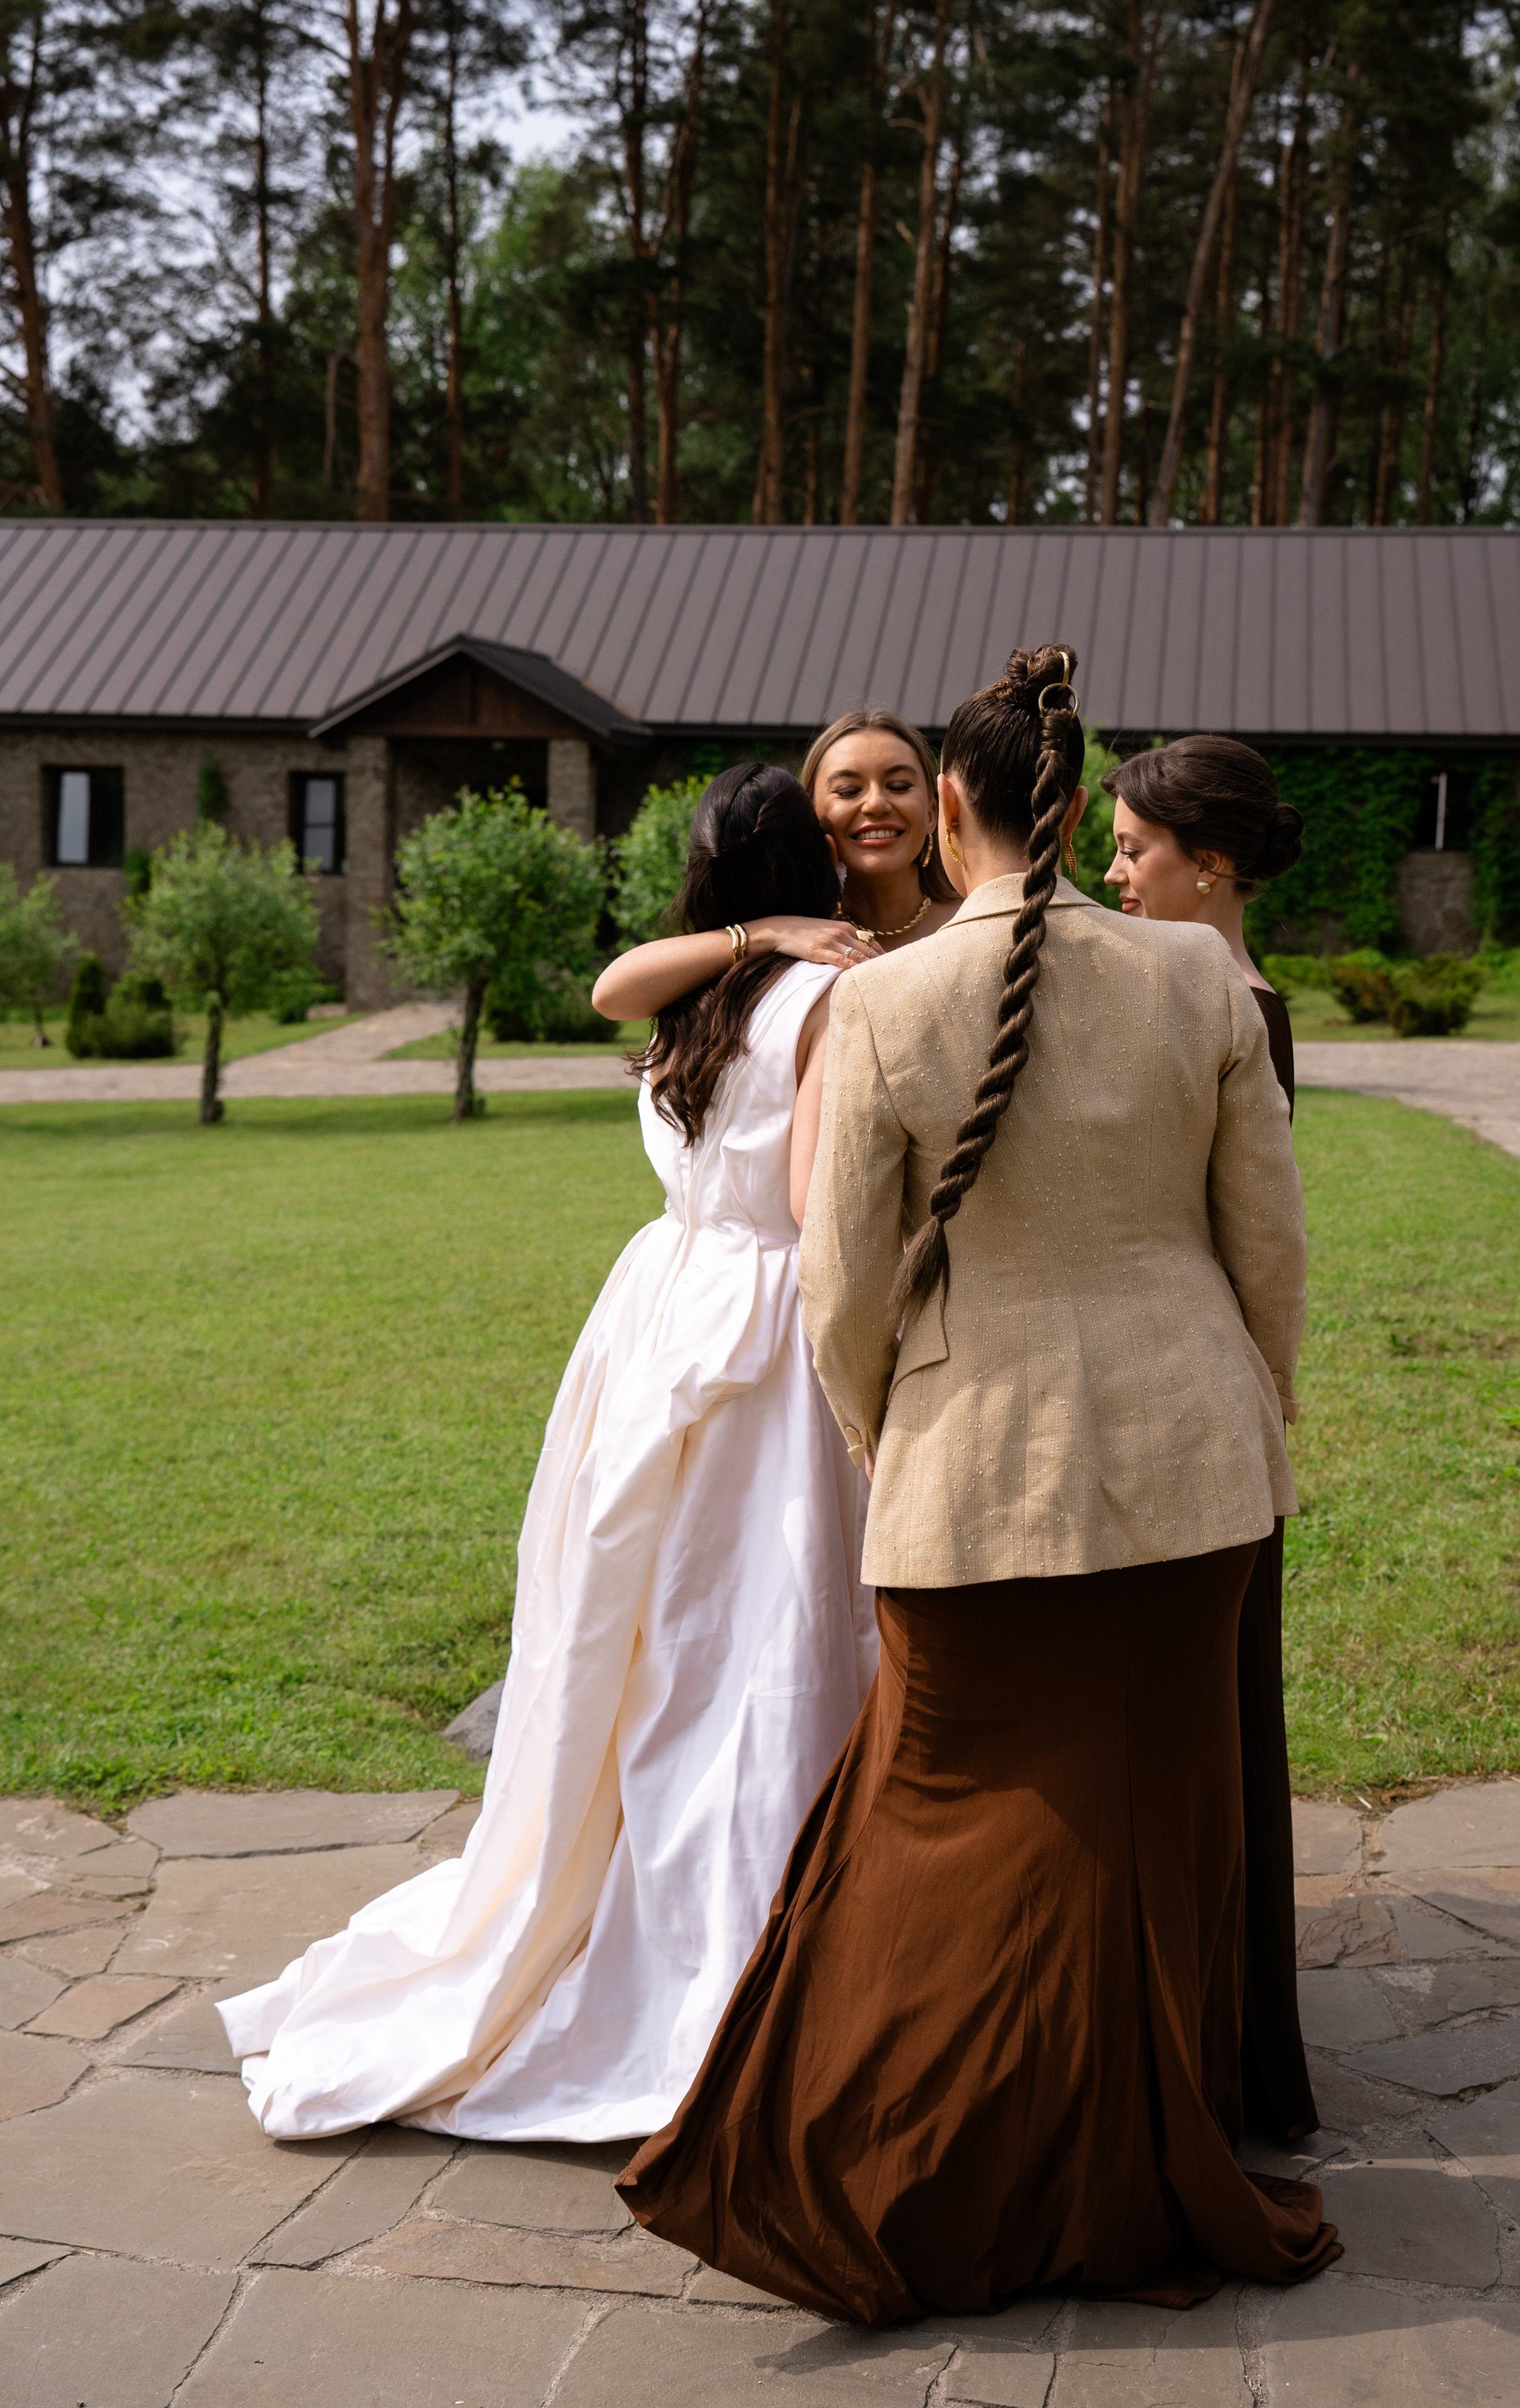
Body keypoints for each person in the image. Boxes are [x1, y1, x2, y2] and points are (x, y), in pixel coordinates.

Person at [620, 646, 1340, 2322]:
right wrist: (1251, 1413)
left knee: (933, 1826)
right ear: (1083, 809)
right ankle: (1131, 2164)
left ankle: (914, 2175)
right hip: (1198, 1471)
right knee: (1152, 1843)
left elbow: (847, 1287)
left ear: (945, 809)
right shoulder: (1202, 980)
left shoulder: (879, 1000)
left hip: (968, 1475)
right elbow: (1271, 1253)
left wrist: (892, 1436)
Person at [216, 764, 877, 2143]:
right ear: (801, 877)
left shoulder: (693, 992)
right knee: (759, 1627)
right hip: (759, 1320)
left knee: (649, 1628)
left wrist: (758, 938)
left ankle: (629, 1881)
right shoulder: (822, 994)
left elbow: (612, 985)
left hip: (661, 1309)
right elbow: (821, 1211)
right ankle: (748, 1930)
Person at [1104, 733, 1314, 2141]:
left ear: (1211, 864)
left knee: (1200, 1725)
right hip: (1203, 1394)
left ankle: (1209, 2047)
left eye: (1130, 849)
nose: (1112, 872)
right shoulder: (1207, 988)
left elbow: (1262, 1240)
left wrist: (1260, 1393)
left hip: (1192, 1404)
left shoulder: (1216, 1000)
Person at [592, 709, 957, 1028]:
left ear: (931, 812)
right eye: (847, 791)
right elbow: (611, 996)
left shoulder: (971, 919)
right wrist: (769, 932)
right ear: (811, 816)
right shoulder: (789, 934)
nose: (876, 804)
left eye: (899, 785)